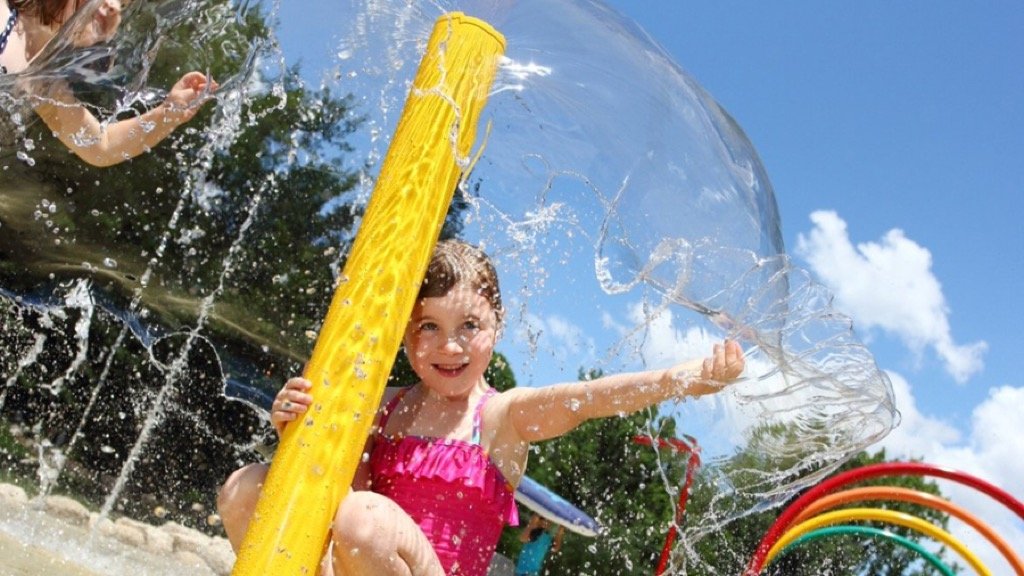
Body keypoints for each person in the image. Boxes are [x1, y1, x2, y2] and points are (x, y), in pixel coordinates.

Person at [217, 239, 745, 576]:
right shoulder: (384, 405)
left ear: (497, 328)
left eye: (469, 327)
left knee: (364, 519)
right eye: (431, 328)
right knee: (247, 486)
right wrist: (291, 420)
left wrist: (685, 379)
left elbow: (593, 398)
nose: (451, 347)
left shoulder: (500, 417)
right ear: (405, 337)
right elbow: (320, 476)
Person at [0, 0, 216, 167]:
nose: (114, 7)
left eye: (122, 5)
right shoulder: (5, 14)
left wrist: (168, 114)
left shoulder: (44, 83)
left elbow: (100, 145)